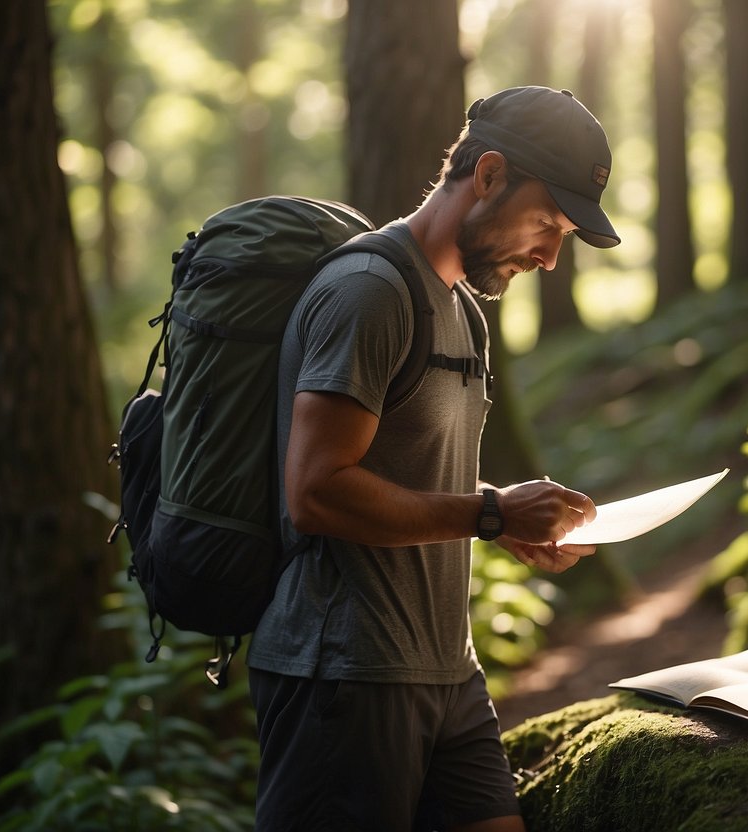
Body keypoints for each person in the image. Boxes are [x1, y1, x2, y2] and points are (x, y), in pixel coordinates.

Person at [247, 85, 621, 831]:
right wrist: (486, 512)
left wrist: (503, 514)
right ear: (486, 176)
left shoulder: (458, 310)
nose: (549, 257)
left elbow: (408, 474)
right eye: (546, 222)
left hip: (447, 672)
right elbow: (315, 492)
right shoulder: (368, 293)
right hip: (343, 676)